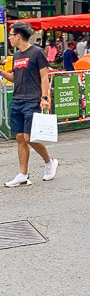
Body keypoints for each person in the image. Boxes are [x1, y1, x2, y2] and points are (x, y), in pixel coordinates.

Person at [1, 22, 58, 187]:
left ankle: (49, 162)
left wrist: (45, 98)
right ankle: (23, 175)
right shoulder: (17, 55)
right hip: (17, 99)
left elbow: (44, 77)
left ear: (18, 36)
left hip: (32, 99)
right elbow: (14, 78)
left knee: (29, 137)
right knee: (20, 138)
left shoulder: (37, 52)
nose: (9, 38)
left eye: (11, 35)